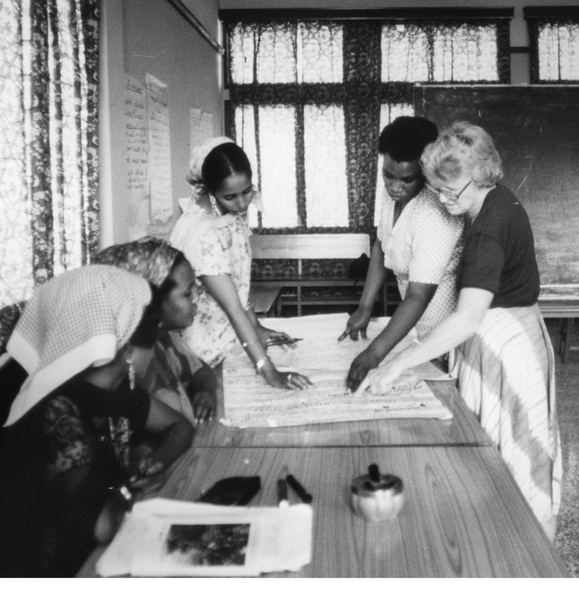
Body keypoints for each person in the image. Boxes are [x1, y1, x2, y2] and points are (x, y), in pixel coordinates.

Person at [357, 122, 562, 540]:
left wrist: (396, 365)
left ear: (483, 172)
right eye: (439, 190)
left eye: (453, 190)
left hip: (506, 344)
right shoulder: (495, 203)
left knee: (517, 455)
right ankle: (498, 537)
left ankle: (531, 554)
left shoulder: (488, 228)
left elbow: (467, 318)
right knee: (498, 449)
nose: (446, 200)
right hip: (503, 333)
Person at [0, 265, 194, 576]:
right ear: (131, 350)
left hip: (91, 557)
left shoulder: (109, 389)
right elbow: (103, 528)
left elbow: (179, 426)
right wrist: (127, 491)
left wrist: (155, 461)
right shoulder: (57, 411)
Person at [169, 137, 311, 390]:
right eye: (231, 196)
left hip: (232, 339)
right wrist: (268, 371)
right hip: (202, 353)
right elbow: (233, 307)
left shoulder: (229, 213)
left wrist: (257, 327)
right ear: (211, 192)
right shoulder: (202, 234)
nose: (243, 203)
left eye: (247, 191)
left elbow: (239, 282)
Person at [339, 116, 465, 391]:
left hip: (440, 329)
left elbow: (419, 296)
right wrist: (364, 306)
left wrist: (374, 354)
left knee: (439, 396)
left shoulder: (434, 212)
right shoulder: (391, 195)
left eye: (407, 179)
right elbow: (381, 244)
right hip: (411, 326)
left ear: (426, 169)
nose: (395, 187)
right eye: (388, 175)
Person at [94, 238, 218, 424]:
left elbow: (200, 370)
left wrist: (206, 392)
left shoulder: (165, 340)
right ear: (153, 299)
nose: (196, 299)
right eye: (187, 293)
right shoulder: (130, 361)